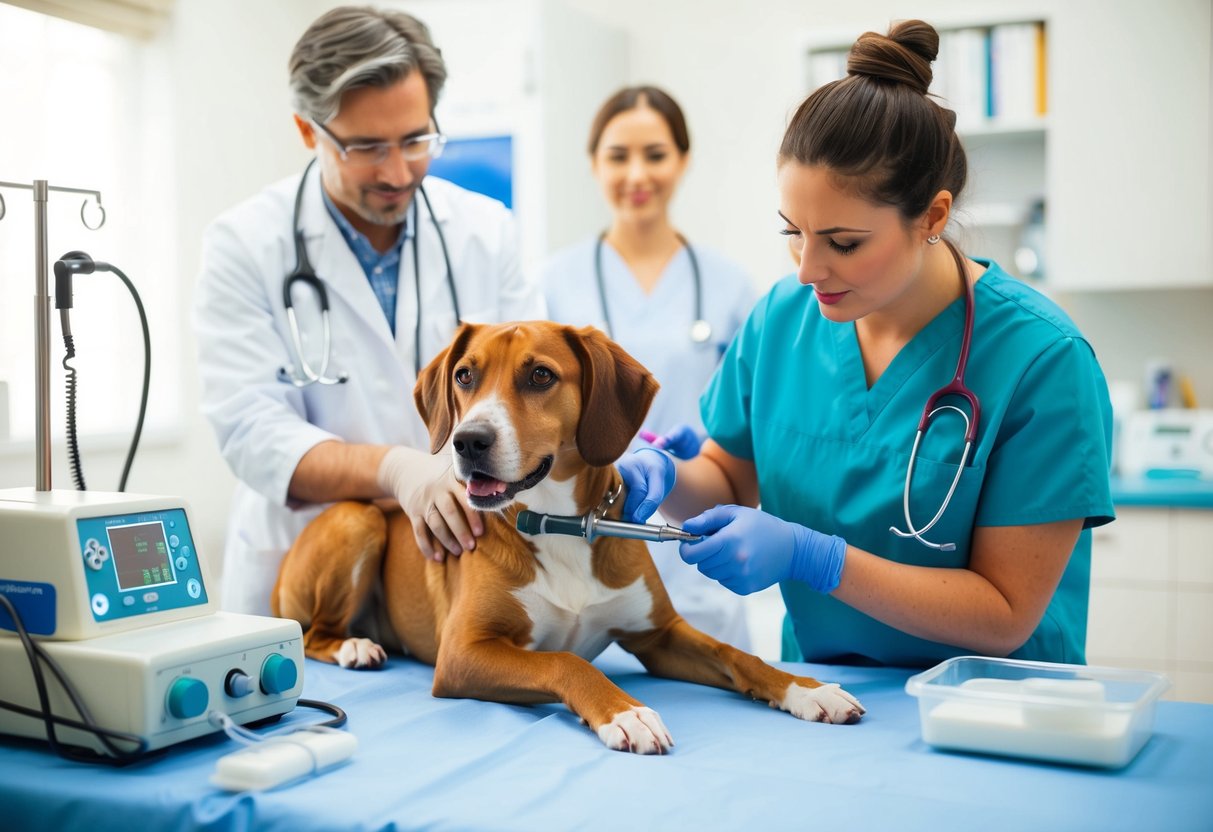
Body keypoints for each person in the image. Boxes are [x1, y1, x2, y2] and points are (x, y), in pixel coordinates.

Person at [617, 20, 1115, 667]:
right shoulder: (781, 320)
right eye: (791, 231)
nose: (806, 268)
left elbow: (1003, 614)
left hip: (993, 714)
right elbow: (730, 479)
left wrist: (812, 557)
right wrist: (667, 477)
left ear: (932, 217)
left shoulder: (1041, 361)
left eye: (842, 243)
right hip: (826, 700)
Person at [194, 6, 544, 615]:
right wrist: (397, 470)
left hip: (451, 566)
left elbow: (531, 389)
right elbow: (254, 434)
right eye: (366, 147)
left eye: (414, 140)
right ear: (308, 131)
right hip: (312, 570)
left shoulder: (486, 232)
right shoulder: (244, 243)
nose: (396, 170)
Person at [541, 86, 757, 648]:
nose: (637, 174)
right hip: (585, 542)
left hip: (699, 532)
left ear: (683, 160)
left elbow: (751, 424)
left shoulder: (730, 285)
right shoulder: (553, 284)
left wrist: (700, 464)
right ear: (593, 164)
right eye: (618, 156)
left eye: (656, 155)